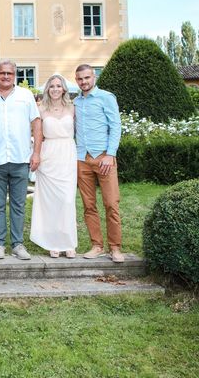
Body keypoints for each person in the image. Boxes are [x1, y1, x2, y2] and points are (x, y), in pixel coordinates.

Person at [0, 60, 42, 260]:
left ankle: (17, 244)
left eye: (9, 73)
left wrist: (37, 152)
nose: (5, 76)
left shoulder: (25, 97)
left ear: (15, 75)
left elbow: (36, 124)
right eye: (2, 73)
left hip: (20, 157)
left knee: (18, 204)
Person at [74, 64, 124, 263]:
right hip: (82, 159)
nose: (83, 82)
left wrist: (110, 154)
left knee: (111, 204)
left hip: (104, 157)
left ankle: (115, 248)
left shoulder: (106, 97)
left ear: (93, 77)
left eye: (87, 78)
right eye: (80, 79)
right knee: (89, 205)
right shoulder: (76, 102)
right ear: (76, 80)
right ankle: (96, 245)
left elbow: (116, 126)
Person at [29, 74, 78, 258]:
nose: (55, 89)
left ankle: (69, 242)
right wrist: (36, 155)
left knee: (67, 199)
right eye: (52, 86)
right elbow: (38, 135)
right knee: (50, 201)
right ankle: (53, 242)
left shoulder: (73, 108)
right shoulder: (40, 108)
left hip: (67, 154)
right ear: (47, 89)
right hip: (48, 155)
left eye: (58, 86)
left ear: (64, 89)